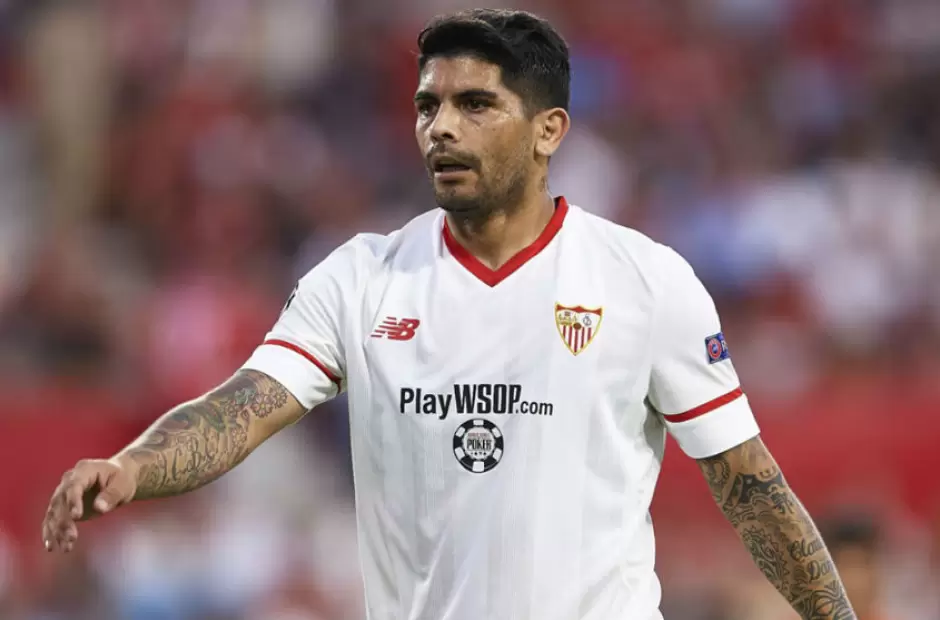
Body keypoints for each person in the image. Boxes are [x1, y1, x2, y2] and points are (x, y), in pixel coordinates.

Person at [42, 9, 857, 620]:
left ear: (548, 131)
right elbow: (244, 405)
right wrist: (134, 468)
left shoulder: (645, 280)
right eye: (428, 105)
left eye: (475, 104)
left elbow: (750, 486)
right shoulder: (361, 277)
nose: (441, 128)